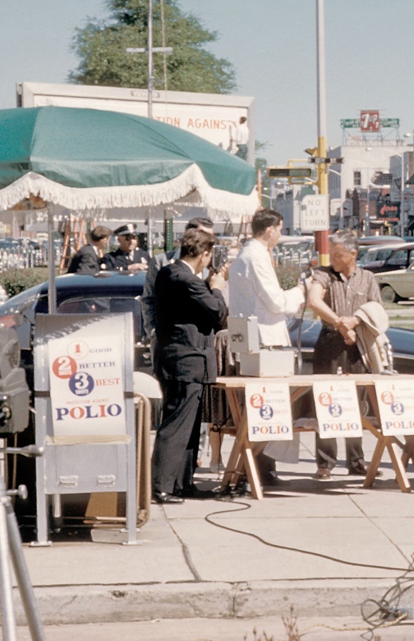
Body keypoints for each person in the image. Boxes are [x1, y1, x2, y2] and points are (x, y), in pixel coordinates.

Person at [150, 227, 228, 504]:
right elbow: (218, 312)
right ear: (204, 254)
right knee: (178, 424)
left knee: (191, 425)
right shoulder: (185, 279)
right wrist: (216, 287)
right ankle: (162, 485)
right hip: (186, 360)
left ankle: (181, 482)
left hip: (181, 359)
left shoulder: (169, 273)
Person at [229, 209, 305, 484]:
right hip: (265, 341)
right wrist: (299, 292)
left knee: (264, 406)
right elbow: (275, 301)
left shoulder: (248, 255)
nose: (280, 236)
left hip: (258, 338)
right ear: (271, 229)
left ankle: (263, 465)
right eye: (280, 230)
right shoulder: (255, 256)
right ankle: (260, 466)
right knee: (268, 405)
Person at [304, 230, 379, 479]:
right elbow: (314, 301)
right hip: (330, 343)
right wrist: (339, 323)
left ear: (353, 254)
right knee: (326, 401)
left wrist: (355, 321)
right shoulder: (324, 274)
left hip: (358, 346)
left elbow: (377, 310)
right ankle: (325, 462)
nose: (333, 259)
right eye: (332, 254)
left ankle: (356, 460)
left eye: (339, 255)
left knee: (356, 403)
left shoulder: (367, 278)